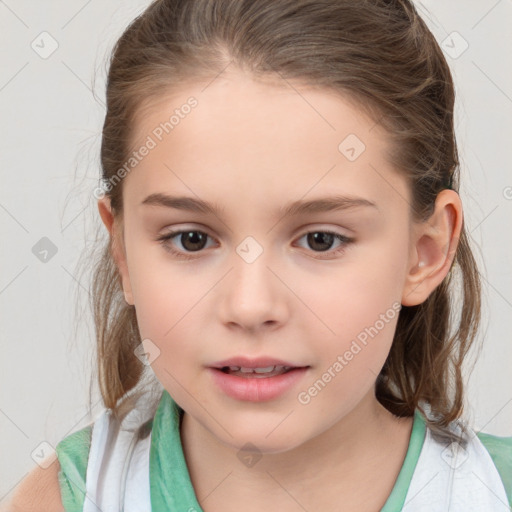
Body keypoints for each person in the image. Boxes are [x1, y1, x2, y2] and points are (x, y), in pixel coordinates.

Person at [6, 0, 512, 511]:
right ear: (123, 252)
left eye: (321, 240)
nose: (250, 306)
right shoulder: (63, 499)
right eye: (191, 239)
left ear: (424, 253)